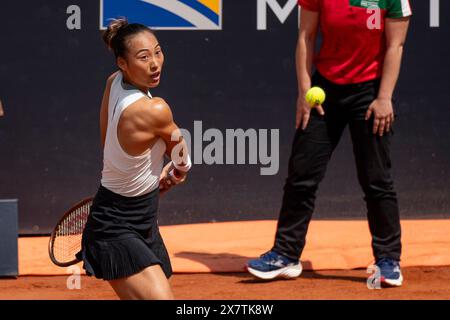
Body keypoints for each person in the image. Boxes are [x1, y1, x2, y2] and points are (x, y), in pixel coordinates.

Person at [247, 0, 411, 287]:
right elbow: (305, 36)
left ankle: (388, 260)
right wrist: (304, 90)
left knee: (377, 181)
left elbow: (394, 46)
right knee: (302, 175)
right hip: (326, 92)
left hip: (370, 93)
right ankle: (286, 255)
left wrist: (384, 97)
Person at [76, 18, 191, 300]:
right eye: (143, 57)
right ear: (122, 63)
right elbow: (182, 156)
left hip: (140, 215)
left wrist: (145, 179)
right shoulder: (156, 109)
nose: (155, 63)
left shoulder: (113, 82)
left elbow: (108, 144)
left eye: (158, 51)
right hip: (114, 226)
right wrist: (176, 174)